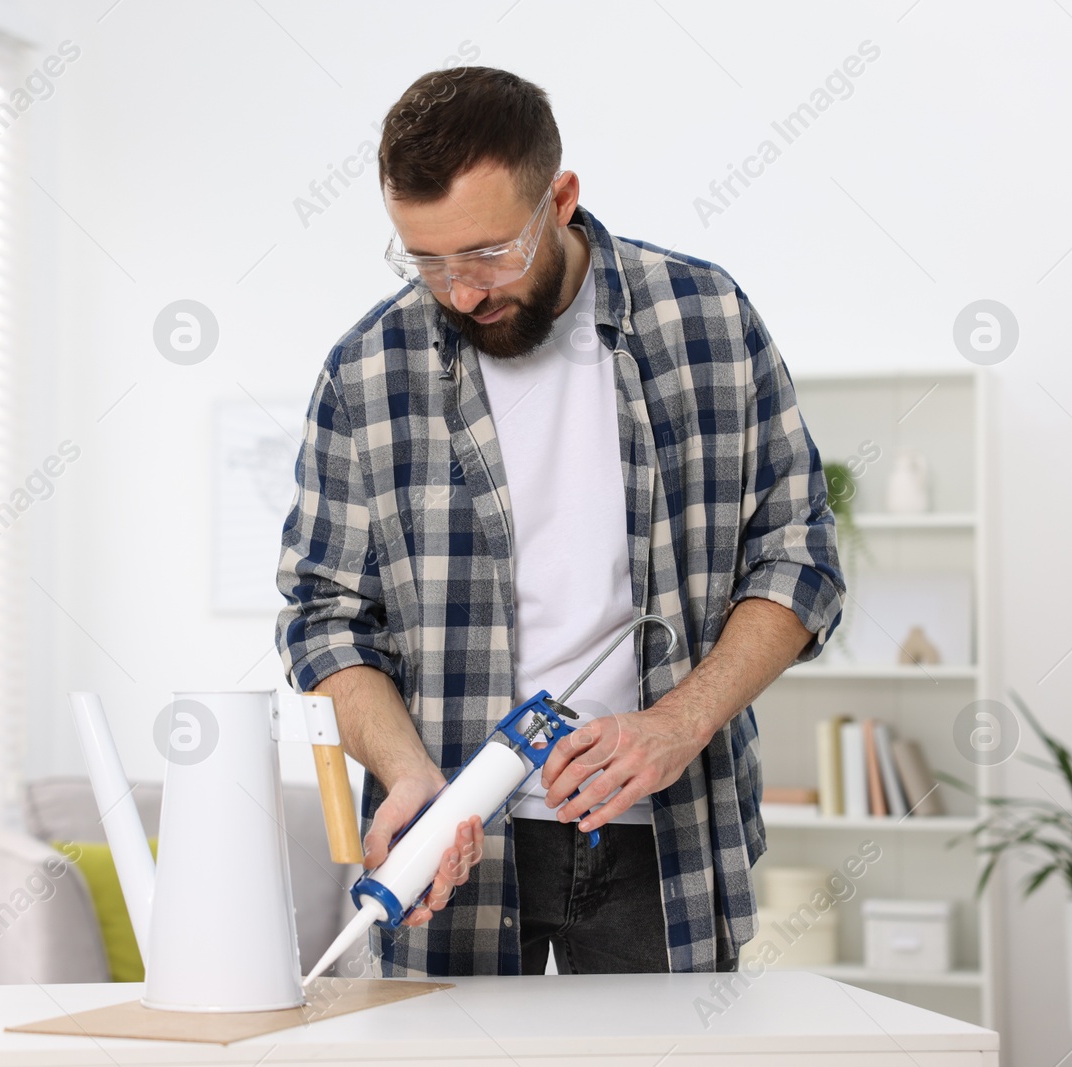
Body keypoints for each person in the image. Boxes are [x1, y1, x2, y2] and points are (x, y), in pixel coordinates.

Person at [275, 66, 845, 977]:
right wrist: (412, 773)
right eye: (426, 261)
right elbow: (325, 618)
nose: (460, 292)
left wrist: (678, 722)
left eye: (489, 253)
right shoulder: (366, 371)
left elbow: (798, 558)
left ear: (562, 198)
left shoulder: (706, 320)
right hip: (454, 853)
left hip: (668, 843)